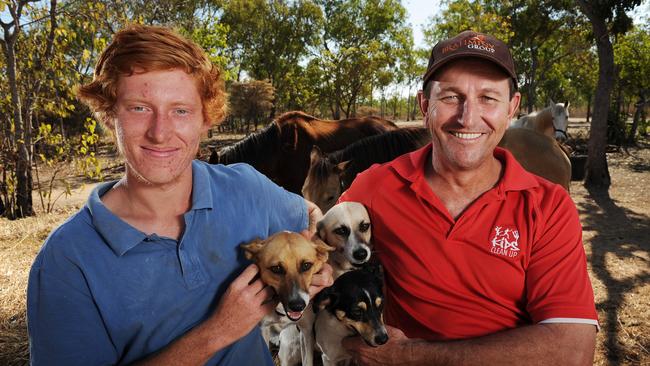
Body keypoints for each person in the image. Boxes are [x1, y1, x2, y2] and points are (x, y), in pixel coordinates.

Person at [27, 24, 332, 366]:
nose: (160, 132)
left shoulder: (245, 187)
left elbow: (310, 214)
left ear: (206, 119)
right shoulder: (67, 261)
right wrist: (218, 330)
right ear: (109, 114)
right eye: (139, 108)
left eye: (181, 110)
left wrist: (316, 259)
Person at [339, 30, 598, 365]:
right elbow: (319, 256)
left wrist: (409, 356)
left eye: (488, 98)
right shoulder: (375, 186)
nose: (468, 118)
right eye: (450, 97)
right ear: (424, 106)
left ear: (511, 108)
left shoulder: (548, 206)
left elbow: (573, 351)